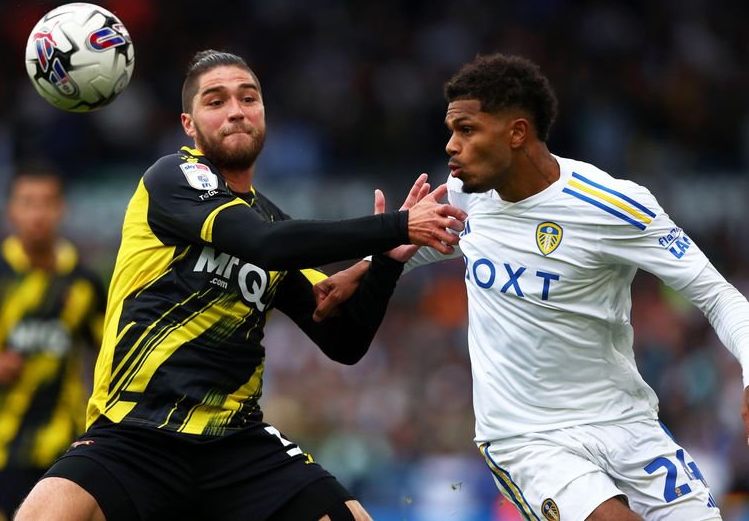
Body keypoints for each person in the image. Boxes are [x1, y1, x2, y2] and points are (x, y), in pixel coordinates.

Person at [14, 49, 466, 521]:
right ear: (189, 124)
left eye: (248, 98)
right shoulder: (171, 179)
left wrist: (386, 265)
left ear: (263, 116)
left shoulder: (272, 220)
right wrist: (396, 226)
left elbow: (344, 341)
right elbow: (264, 244)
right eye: (216, 100)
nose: (235, 109)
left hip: (235, 442)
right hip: (135, 431)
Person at [316, 53, 749, 520]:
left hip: (626, 423)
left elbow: (717, 295)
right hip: (526, 437)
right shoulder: (466, 193)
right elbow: (435, 238)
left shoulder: (613, 207)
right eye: (450, 130)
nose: (450, 146)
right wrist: (364, 268)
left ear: (517, 133)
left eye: (466, 130)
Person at [0, 166, 107, 521]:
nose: (38, 214)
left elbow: (107, 351)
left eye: (47, 203)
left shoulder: (84, 282)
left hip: (64, 443)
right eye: (28, 203)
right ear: (11, 211)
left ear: (62, 209)